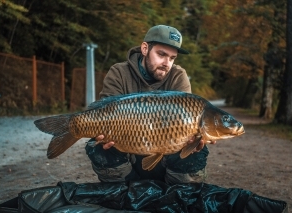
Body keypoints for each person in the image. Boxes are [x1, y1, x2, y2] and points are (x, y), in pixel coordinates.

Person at [85, 25, 215, 185]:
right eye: (161, 54)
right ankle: (127, 189)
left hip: (165, 158)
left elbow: (185, 120)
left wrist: (196, 139)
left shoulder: (178, 76)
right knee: (97, 144)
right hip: (126, 151)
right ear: (145, 48)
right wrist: (103, 134)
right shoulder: (119, 73)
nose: (167, 63)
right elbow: (106, 112)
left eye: (172, 58)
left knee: (196, 149)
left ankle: (175, 191)